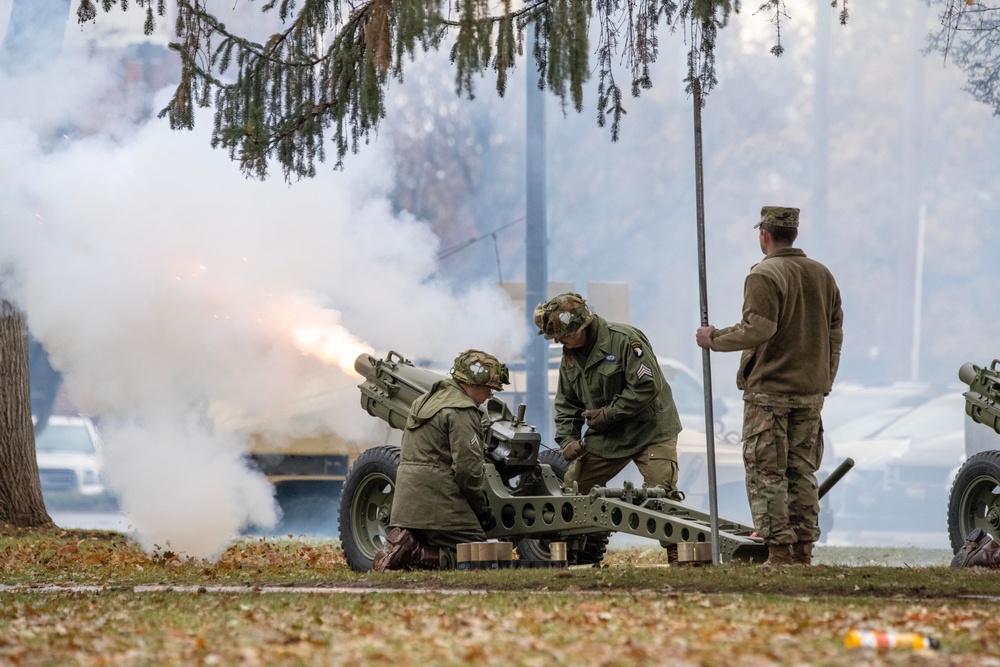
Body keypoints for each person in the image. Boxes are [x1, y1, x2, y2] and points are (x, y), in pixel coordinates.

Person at [695, 206, 843, 566]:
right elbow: (834, 332)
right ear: (793, 234)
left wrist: (713, 338)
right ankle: (803, 551)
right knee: (802, 472)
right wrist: (825, 377)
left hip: (770, 394)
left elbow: (758, 328)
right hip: (810, 394)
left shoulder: (764, 274)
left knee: (766, 473)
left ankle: (779, 553)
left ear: (764, 234)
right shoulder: (822, 275)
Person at [533, 293, 684, 498]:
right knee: (572, 493)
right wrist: (568, 440)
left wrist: (608, 414)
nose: (559, 341)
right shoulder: (570, 355)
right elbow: (567, 403)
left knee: (660, 498)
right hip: (608, 435)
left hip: (650, 430)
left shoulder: (625, 340)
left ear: (581, 327)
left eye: (563, 335)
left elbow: (646, 386)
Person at [372, 349, 508, 572]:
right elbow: (468, 471)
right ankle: (413, 555)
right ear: (472, 384)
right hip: (437, 504)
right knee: (480, 556)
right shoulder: (463, 411)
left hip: (405, 506)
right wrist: (482, 510)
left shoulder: (424, 401)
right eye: (489, 390)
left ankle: (407, 546)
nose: (489, 396)